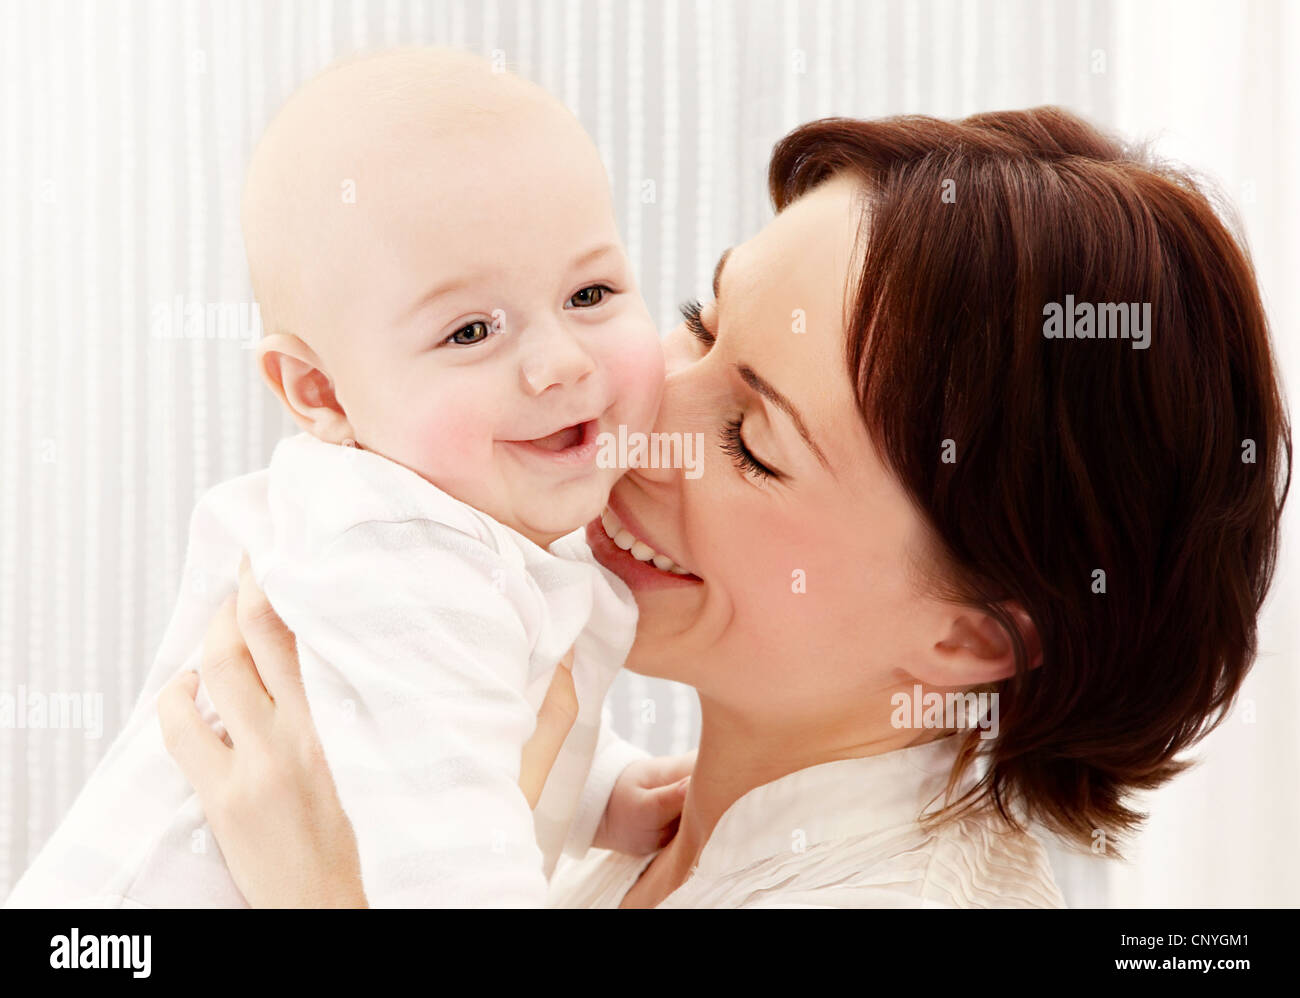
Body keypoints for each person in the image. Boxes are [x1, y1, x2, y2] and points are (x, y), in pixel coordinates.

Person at [159, 107, 1289, 908]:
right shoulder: (625, 804)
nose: (624, 412)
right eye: (701, 319)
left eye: (750, 441)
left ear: (970, 635)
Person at [4, 46, 686, 909]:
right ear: (321, 391)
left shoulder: (440, 537)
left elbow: (453, 738)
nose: (557, 362)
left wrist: (602, 792)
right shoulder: (397, 555)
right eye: (471, 331)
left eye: (589, 294)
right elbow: (452, 852)